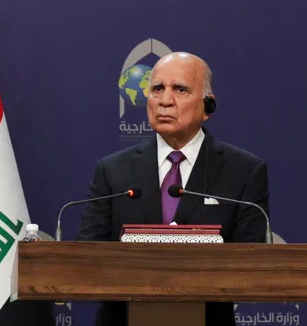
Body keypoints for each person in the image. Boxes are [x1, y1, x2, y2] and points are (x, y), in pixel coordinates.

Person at [75, 52, 269, 326]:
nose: (165, 100)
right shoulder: (112, 170)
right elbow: (88, 254)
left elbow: (250, 263)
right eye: (157, 89)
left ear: (207, 107)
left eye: (180, 89)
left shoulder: (244, 171)